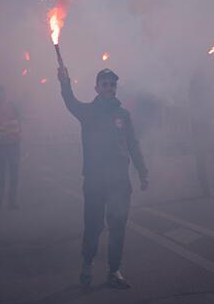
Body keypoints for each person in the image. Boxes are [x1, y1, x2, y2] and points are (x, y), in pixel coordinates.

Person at [58, 66, 149, 289]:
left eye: (113, 84)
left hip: (119, 180)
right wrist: (64, 82)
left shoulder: (123, 115)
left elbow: (132, 144)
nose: (110, 88)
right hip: (95, 180)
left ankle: (114, 271)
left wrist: (142, 171)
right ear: (97, 88)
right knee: (94, 226)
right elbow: (70, 101)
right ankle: (87, 266)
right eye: (105, 84)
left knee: (118, 226)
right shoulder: (88, 112)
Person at [188, 68, 214, 196]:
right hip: (200, 127)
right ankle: (206, 190)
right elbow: (196, 110)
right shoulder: (196, 90)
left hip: (210, 127)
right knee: (202, 159)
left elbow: (213, 105)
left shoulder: (205, 90)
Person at [0, 85, 22, 209]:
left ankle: (11, 201)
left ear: (4, 94)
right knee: (0, 174)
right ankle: (0, 199)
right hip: (1, 146)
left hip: (12, 144)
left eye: (0, 93)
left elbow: (19, 121)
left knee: (13, 174)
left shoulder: (13, 106)